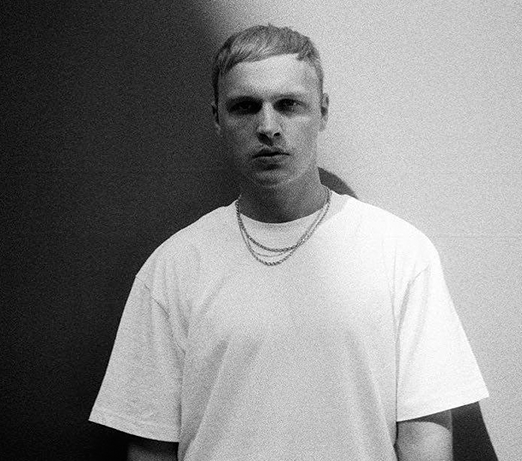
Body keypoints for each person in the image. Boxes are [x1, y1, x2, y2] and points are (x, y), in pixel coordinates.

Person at [90, 24, 489, 461]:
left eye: (288, 105)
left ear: (322, 112)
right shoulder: (174, 266)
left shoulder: (401, 254)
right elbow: (150, 446)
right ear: (218, 118)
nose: (268, 126)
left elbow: (425, 436)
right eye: (245, 107)